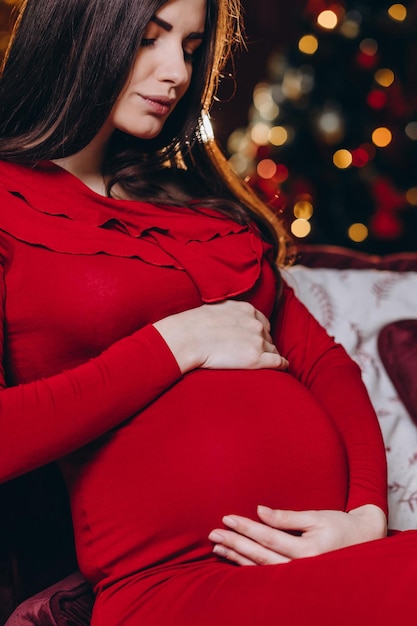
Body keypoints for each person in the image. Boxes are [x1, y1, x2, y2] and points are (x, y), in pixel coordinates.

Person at [0, 0, 416, 624]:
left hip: (325, 558)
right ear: (73, 34)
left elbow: (324, 364)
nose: (176, 73)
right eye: (149, 39)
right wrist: (173, 344)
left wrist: (363, 517)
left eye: (192, 50)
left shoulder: (197, 209)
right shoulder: (8, 208)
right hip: (179, 583)